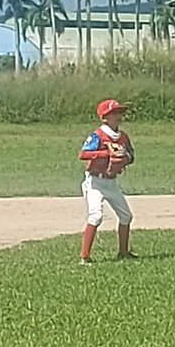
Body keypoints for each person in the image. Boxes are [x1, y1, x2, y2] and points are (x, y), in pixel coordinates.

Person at [78, 99, 137, 264]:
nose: (119, 116)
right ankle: (85, 256)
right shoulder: (98, 135)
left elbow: (131, 156)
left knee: (126, 216)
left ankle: (123, 252)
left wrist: (124, 158)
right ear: (104, 118)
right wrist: (106, 154)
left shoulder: (123, 137)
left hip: (111, 182)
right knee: (96, 216)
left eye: (120, 113)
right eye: (115, 113)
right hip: (95, 182)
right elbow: (83, 154)